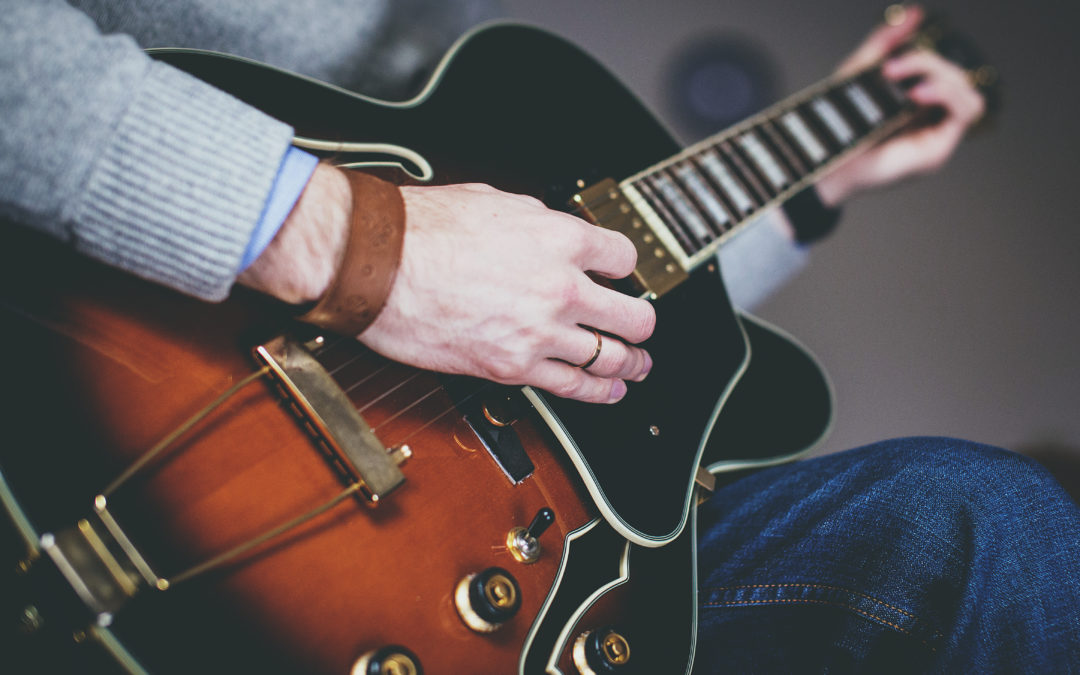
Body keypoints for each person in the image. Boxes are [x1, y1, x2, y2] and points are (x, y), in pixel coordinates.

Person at [1, 1, 1076, 672]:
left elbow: (578, 287)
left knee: (995, 522)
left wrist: (819, 175)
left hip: (489, 503)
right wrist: (366, 249)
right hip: (131, 355)